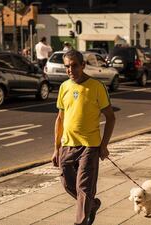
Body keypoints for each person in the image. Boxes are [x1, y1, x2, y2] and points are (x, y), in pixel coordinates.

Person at [52, 50, 115, 225]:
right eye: (67, 66)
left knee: (84, 188)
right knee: (67, 183)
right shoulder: (64, 87)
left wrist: (104, 145)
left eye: (74, 66)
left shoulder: (96, 87)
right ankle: (92, 205)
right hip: (67, 144)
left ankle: (81, 221)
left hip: (90, 146)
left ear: (83, 65)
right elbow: (60, 119)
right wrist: (56, 148)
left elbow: (110, 117)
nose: (70, 70)